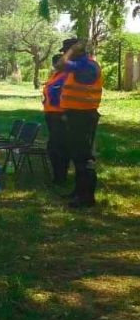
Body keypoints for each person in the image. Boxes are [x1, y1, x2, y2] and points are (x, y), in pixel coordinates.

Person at [56, 38, 102, 208]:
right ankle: (78, 191)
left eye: (66, 51)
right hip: (77, 117)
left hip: (84, 118)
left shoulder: (87, 66)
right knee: (77, 155)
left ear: (76, 51)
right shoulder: (80, 65)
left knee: (84, 156)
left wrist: (72, 51)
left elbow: (60, 65)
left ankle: (86, 197)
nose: (64, 54)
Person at [42, 54, 69, 185]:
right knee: (53, 147)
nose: (55, 65)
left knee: (59, 147)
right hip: (51, 115)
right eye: (54, 63)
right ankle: (57, 175)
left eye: (58, 63)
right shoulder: (55, 75)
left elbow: (66, 95)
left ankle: (61, 177)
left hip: (61, 116)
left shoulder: (67, 76)